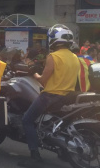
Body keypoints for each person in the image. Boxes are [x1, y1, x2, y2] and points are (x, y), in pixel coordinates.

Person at [22, 24, 79, 163]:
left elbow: (43, 80)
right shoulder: (74, 57)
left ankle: (34, 155)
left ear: (53, 40)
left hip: (50, 96)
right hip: (68, 97)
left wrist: (34, 74)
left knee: (27, 120)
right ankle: (64, 152)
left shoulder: (53, 56)